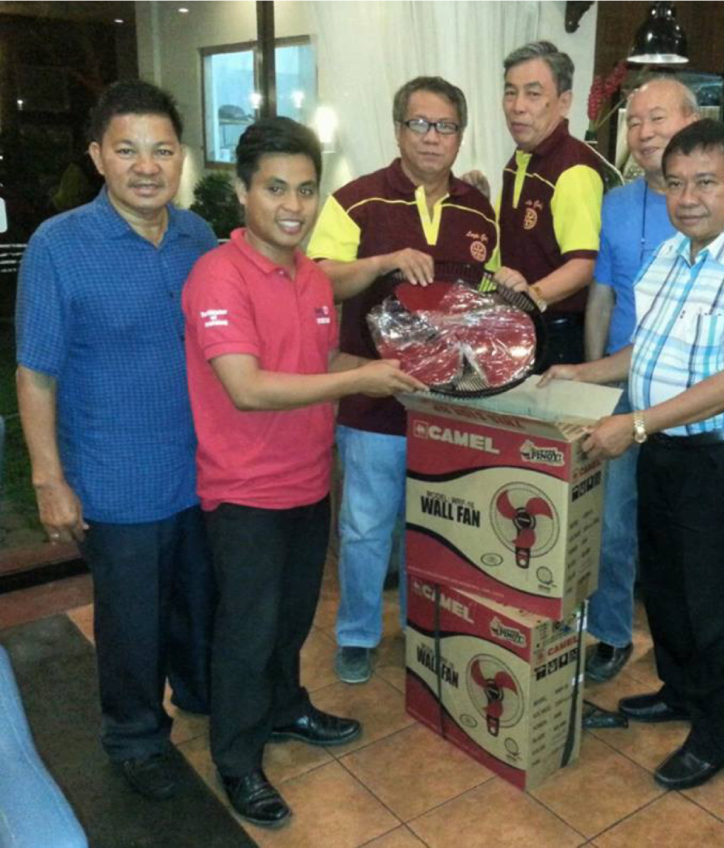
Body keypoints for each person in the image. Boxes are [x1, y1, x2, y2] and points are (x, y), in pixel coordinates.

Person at [183, 117, 423, 828]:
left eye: (307, 190)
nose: (293, 205)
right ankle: (236, 757)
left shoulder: (311, 275)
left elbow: (317, 366)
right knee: (246, 632)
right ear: (242, 191)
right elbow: (249, 387)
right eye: (276, 189)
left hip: (306, 479)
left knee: (289, 621)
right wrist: (360, 380)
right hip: (244, 491)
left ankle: (286, 707)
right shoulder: (217, 276)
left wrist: (401, 372)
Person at [543, 120, 724, 789]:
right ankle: (680, 692)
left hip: (722, 456)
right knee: (669, 589)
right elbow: (645, 354)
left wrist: (640, 424)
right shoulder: (673, 255)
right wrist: (586, 373)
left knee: (715, 600)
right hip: (664, 447)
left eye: (706, 182)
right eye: (677, 183)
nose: (688, 198)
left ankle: (717, 734)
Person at [15, 80, 216, 802]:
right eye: (127, 149)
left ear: (180, 156)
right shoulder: (59, 245)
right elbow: (35, 374)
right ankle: (134, 736)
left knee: (198, 602)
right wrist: (49, 478)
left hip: (199, 471)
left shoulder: (198, 238)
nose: (146, 165)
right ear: (98, 155)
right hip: (114, 478)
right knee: (131, 624)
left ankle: (199, 695)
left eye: (162, 149)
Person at [583, 75, 724, 684]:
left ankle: (710, 717)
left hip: (711, 429)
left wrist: (635, 419)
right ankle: (648, 664)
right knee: (640, 549)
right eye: (634, 122)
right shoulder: (642, 225)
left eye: (658, 118)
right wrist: (588, 378)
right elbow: (620, 314)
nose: (643, 132)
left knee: (709, 576)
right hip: (641, 405)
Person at [306, 77, 497, 685]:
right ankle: (358, 634)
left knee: (435, 526)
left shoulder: (477, 208)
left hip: (450, 407)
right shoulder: (356, 200)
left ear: (461, 136)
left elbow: (482, 301)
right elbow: (317, 282)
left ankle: (424, 627)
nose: (432, 138)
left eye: (445, 127)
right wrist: (382, 262)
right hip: (371, 400)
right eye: (420, 124)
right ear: (397, 129)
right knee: (364, 526)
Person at [492, 40, 603, 370]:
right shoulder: (521, 159)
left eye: (533, 93)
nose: (517, 106)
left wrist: (531, 297)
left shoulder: (573, 167)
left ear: (564, 102)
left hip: (556, 335)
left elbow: (584, 265)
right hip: (520, 326)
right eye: (510, 92)